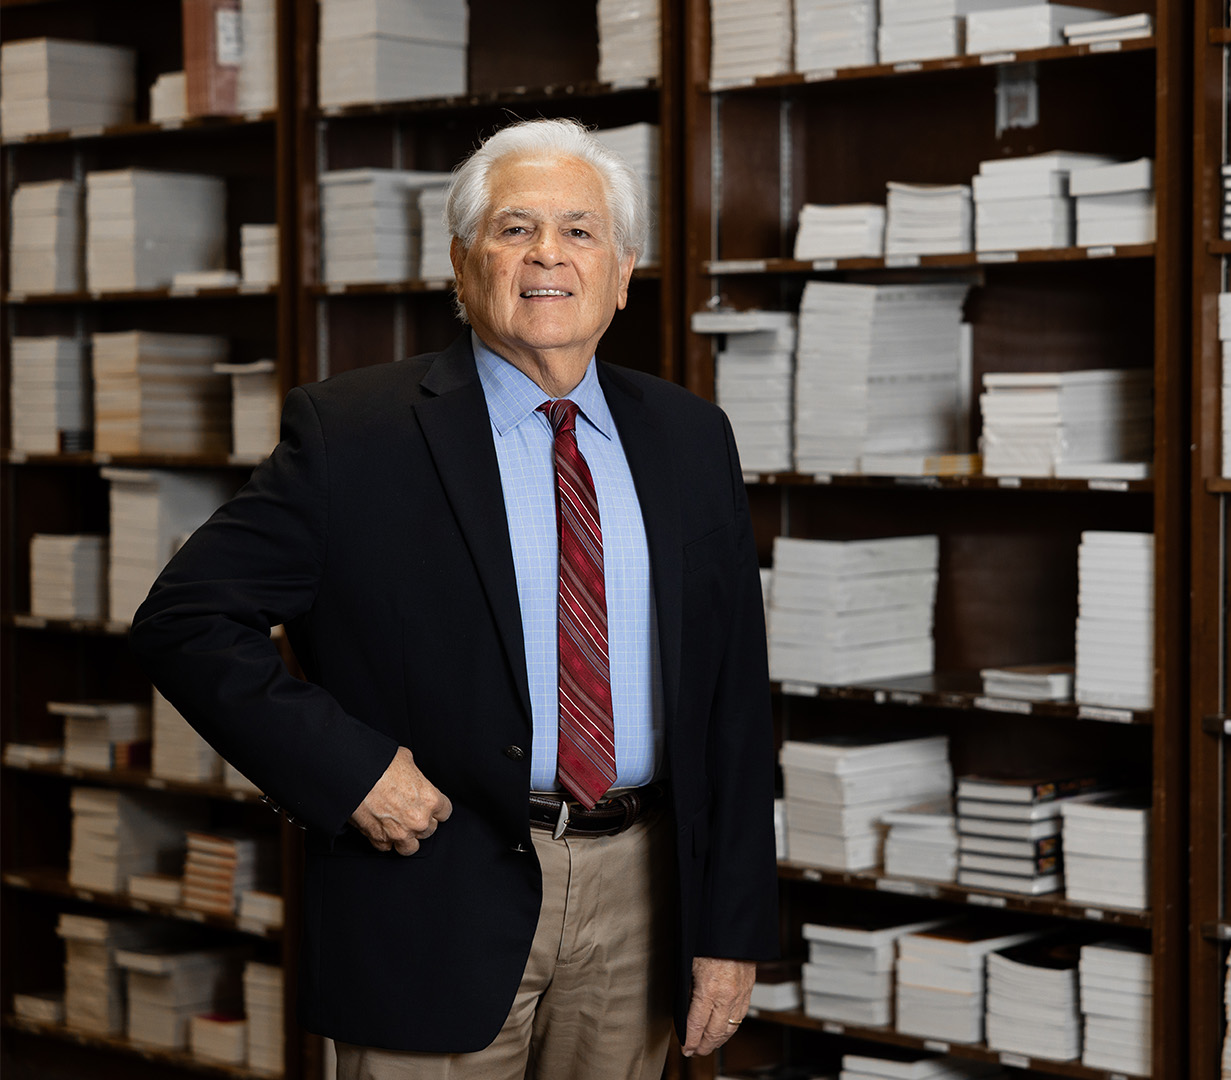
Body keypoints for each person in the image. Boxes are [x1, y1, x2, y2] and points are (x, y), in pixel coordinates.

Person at [129, 117, 779, 1079]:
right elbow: (184, 621)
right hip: (433, 889)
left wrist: (731, 926)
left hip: (642, 891)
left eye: (579, 230)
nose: (548, 254)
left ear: (624, 269)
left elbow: (733, 696)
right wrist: (350, 773)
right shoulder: (354, 433)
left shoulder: (690, 439)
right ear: (462, 262)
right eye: (515, 228)